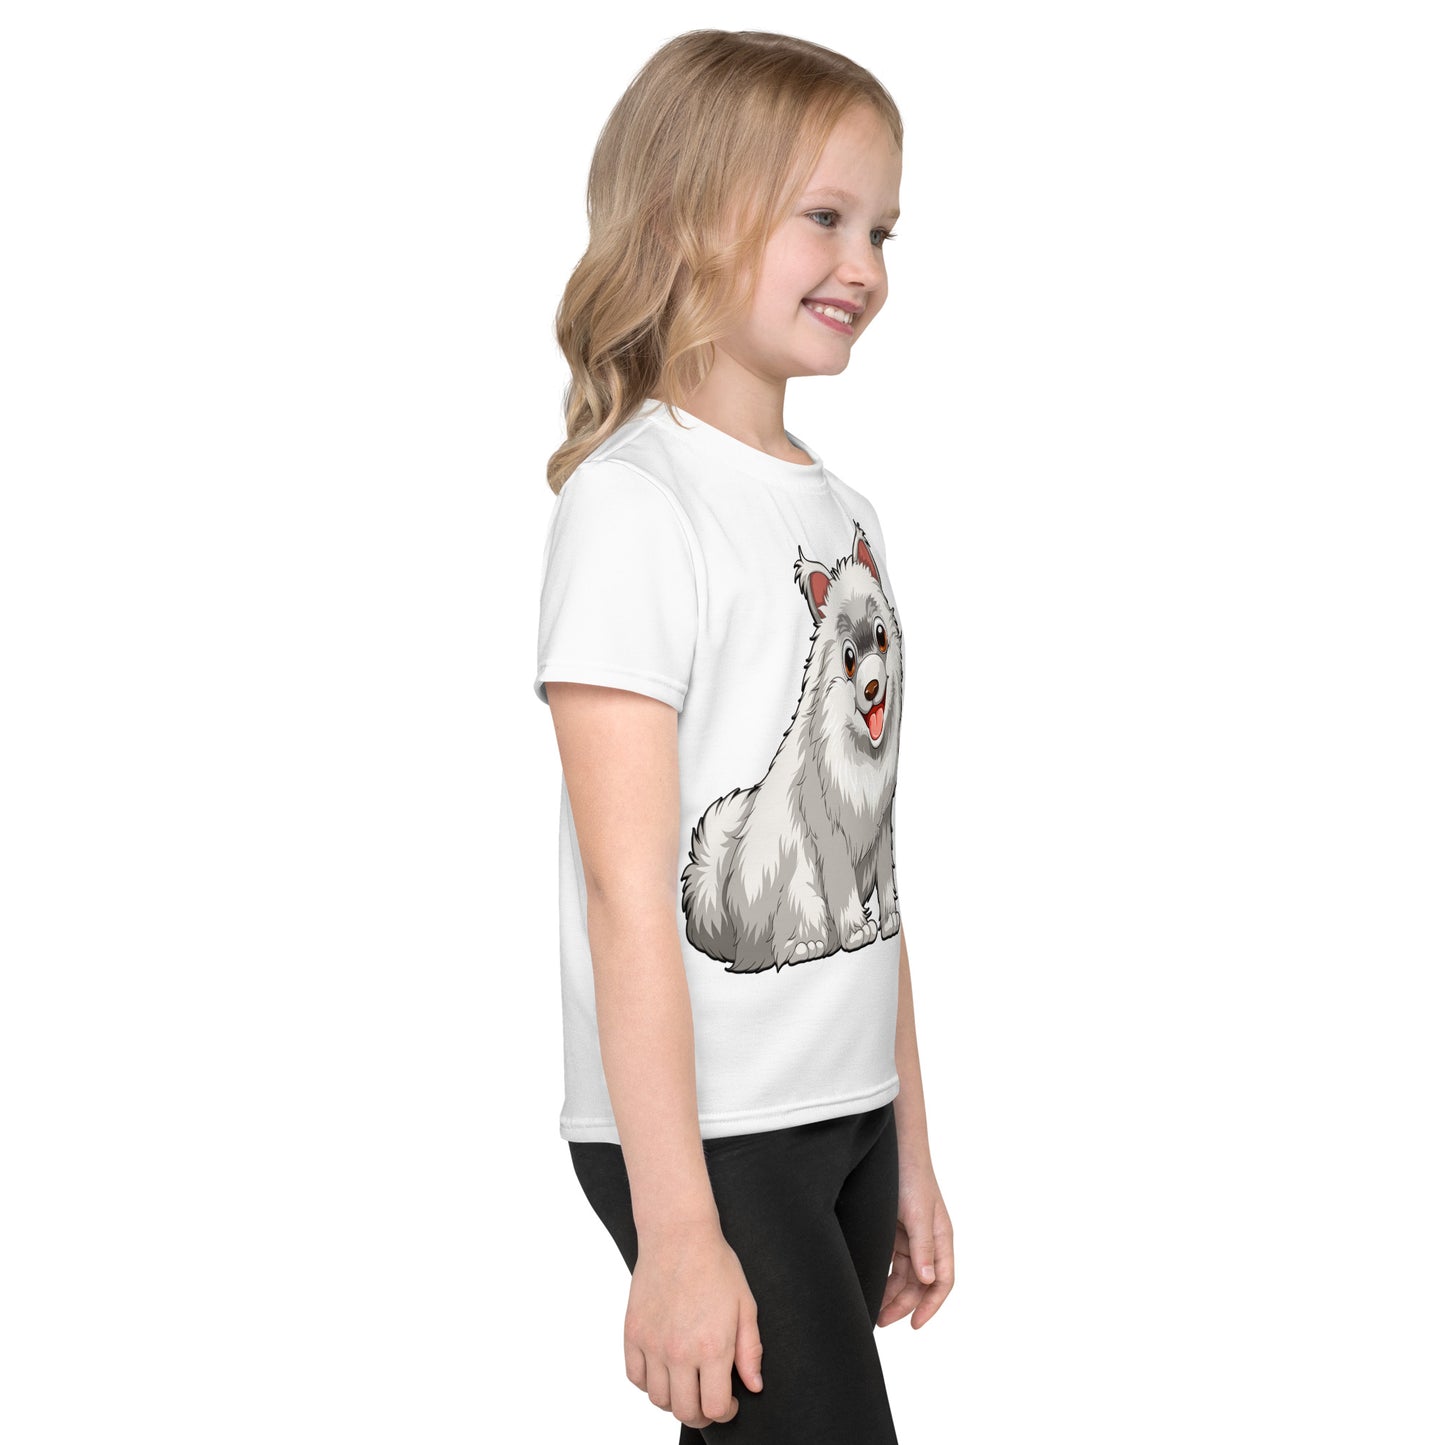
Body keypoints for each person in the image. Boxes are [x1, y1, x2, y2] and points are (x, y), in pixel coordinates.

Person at [532, 29, 953, 1442]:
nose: (865, 266)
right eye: (824, 217)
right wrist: (675, 1228)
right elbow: (624, 892)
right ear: (687, 217)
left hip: (844, 1113)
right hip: (712, 1142)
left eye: (881, 229)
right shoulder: (634, 505)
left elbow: (870, 868)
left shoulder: (845, 516)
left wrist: (908, 1146)